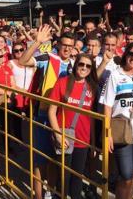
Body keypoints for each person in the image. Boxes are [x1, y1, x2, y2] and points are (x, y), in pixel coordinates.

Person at [19, 25, 75, 199]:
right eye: (64, 44)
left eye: (70, 46)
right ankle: (38, 196)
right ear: (58, 44)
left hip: (64, 120)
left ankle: (49, 191)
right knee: (41, 160)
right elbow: (23, 61)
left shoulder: (75, 65)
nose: (67, 48)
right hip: (43, 116)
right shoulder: (47, 58)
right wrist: (37, 42)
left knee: (53, 160)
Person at [101, 42, 133, 199]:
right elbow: (107, 107)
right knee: (126, 175)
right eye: (131, 53)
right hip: (122, 131)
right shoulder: (115, 76)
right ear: (125, 54)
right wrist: (108, 133)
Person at [48, 53, 98, 199]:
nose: (84, 68)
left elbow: (93, 118)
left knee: (77, 178)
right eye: (81, 64)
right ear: (76, 65)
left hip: (83, 140)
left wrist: (93, 143)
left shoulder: (92, 88)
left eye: (88, 66)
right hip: (65, 137)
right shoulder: (62, 82)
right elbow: (52, 111)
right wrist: (58, 135)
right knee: (63, 178)